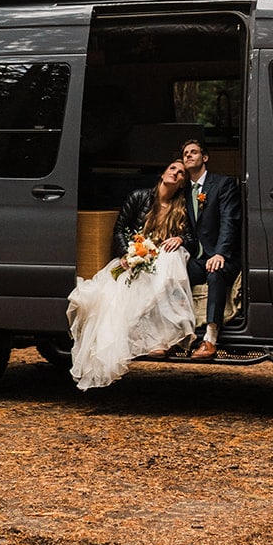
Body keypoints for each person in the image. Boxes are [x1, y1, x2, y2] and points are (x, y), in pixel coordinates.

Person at [67, 160, 198, 391]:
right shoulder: (139, 197)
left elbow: (191, 237)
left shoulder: (182, 207)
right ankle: (152, 339)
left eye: (181, 174)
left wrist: (180, 239)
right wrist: (127, 255)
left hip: (162, 260)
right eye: (173, 169)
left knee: (172, 256)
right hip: (135, 259)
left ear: (182, 183)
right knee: (117, 295)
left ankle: (160, 340)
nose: (176, 174)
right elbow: (119, 229)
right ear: (164, 173)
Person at [181, 137, 241, 360]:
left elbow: (230, 220)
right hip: (198, 257)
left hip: (224, 256)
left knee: (215, 273)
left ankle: (210, 339)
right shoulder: (185, 190)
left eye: (193, 152)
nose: (188, 155)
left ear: (205, 157)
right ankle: (175, 334)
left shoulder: (223, 184)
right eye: (185, 153)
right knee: (176, 272)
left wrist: (220, 253)